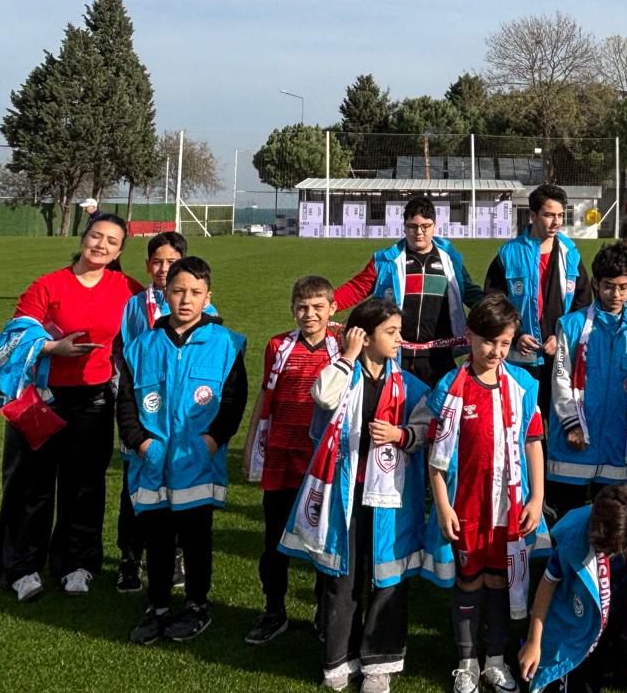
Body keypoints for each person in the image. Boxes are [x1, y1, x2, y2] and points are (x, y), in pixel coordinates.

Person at [0, 210, 144, 601]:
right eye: (96, 236)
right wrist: (51, 347)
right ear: (83, 237)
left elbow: (152, 327)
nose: (101, 245)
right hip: (41, 399)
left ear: (119, 252)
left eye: (111, 242)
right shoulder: (48, 285)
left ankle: (77, 564)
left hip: (94, 400)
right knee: (31, 485)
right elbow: (14, 337)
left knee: (85, 486)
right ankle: (22, 566)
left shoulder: (127, 288)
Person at [282, 297, 431, 692]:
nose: (399, 339)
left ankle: (379, 663)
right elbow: (323, 396)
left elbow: (427, 429)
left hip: (391, 501)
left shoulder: (409, 385)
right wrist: (347, 355)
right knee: (341, 576)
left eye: (399, 331)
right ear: (364, 337)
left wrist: (401, 435)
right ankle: (338, 658)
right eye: (391, 332)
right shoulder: (341, 375)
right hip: (343, 496)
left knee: (388, 577)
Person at [116, 256, 248, 644]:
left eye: (195, 292)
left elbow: (233, 402)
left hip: (197, 462)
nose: (186, 300)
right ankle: (156, 606)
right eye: (177, 291)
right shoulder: (141, 346)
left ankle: (196, 605)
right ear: (165, 295)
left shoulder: (226, 344)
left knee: (196, 539)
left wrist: (211, 441)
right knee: (156, 539)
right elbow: (126, 402)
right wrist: (141, 442)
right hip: (152, 462)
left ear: (208, 296)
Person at [424, 295, 547, 693]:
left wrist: (537, 498)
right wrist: (443, 505)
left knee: (499, 581)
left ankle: (494, 659)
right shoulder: (452, 386)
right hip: (466, 505)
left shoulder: (522, 385)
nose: (496, 351)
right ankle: (466, 662)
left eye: (505, 343)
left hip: (508, 507)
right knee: (469, 580)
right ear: (470, 336)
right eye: (488, 341)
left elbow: (533, 442)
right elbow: (436, 456)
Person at [518, 485, 627, 693]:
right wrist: (533, 641)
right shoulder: (575, 532)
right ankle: (614, 659)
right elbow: (548, 583)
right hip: (590, 619)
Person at [243, 275, 342, 645]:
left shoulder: (342, 348)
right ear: (292, 310)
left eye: (318, 307)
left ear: (332, 309)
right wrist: (252, 442)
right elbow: (265, 396)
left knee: (322, 540)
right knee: (275, 540)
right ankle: (274, 610)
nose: (309, 314)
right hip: (281, 457)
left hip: (320, 462)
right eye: (302, 307)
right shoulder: (278, 345)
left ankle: (323, 611)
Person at [547, 244, 627, 511]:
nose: (616, 294)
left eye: (623, 287)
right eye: (608, 286)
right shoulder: (572, 325)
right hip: (573, 446)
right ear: (596, 283)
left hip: (619, 449)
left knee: (613, 525)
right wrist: (572, 424)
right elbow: (560, 379)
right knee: (568, 522)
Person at [332, 195, 482, 385]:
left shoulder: (450, 258)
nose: (419, 232)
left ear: (434, 226)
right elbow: (357, 288)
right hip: (396, 354)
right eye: (412, 226)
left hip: (441, 356)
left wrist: (498, 309)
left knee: (438, 403)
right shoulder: (386, 260)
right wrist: (326, 305)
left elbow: (469, 292)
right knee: (398, 403)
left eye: (425, 226)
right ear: (404, 227)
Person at [114, 229, 188, 592]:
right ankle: (130, 558)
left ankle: (175, 556)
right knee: (134, 489)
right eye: (157, 262)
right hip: (143, 416)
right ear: (147, 265)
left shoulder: (200, 305)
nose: (163, 268)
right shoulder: (134, 306)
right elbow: (123, 354)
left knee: (178, 487)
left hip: (181, 419)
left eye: (171, 262)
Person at [485, 183, 582, 412]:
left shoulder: (570, 253)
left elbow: (582, 304)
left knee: (560, 421)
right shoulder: (508, 254)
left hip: (560, 357)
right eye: (549, 215)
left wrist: (562, 336)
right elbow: (493, 302)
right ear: (533, 215)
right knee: (521, 419)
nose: (556, 222)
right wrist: (516, 335)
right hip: (519, 360)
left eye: (560, 215)